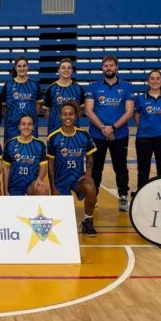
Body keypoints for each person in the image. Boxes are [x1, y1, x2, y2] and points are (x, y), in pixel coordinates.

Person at [84, 55, 134, 211]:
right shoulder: (93, 87)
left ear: (117, 67)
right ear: (102, 68)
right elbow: (88, 111)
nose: (109, 68)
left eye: (111, 65)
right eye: (106, 65)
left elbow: (129, 112)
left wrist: (112, 127)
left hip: (119, 134)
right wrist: (103, 128)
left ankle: (123, 196)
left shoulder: (126, 87)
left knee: (120, 167)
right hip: (97, 135)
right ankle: (93, 195)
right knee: (95, 167)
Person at [46, 101, 98, 237]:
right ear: (60, 116)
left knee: (91, 188)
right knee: (63, 224)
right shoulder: (54, 137)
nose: (68, 117)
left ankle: (88, 221)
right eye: (64, 114)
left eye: (71, 114)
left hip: (77, 179)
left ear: (76, 116)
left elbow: (90, 158)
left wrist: (88, 174)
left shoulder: (83, 135)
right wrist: (53, 187)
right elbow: (50, 164)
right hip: (60, 181)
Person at [133, 69, 161, 194]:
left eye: (158, 78)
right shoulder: (141, 98)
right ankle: (142, 193)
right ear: (148, 81)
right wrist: (143, 127)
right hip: (144, 137)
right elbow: (137, 115)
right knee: (143, 168)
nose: (155, 81)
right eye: (152, 78)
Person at [2, 114, 49, 196]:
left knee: (42, 189)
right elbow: (6, 169)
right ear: (19, 127)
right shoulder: (10, 143)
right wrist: (5, 191)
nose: (26, 127)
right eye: (23, 124)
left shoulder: (39, 144)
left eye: (29, 124)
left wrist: (39, 179)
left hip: (31, 184)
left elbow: (43, 168)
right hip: (14, 185)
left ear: (33, 127)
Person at [1, 57, 42, 143]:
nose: (22, 68)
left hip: (29, 126)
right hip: (12, 127)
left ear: (28, 67)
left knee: (30, 151)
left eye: (24, 66)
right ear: (15, 68)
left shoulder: (35, 84)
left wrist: (31, 115)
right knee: (12, 153)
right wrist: (12, 117)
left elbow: (38, 105)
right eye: (19, 66)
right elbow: (3, 108)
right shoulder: (8, 85)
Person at [43, 58, 85, 135]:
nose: (66, 70)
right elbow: (46, 110)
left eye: (69, 68)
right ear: (58, 70)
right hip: (55, 130)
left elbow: (81, 110)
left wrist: (72, 120)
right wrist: (55, 120)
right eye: (63, 68)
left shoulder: (79, 89)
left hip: (73, 130)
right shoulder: (51, 88)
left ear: (72, 71)